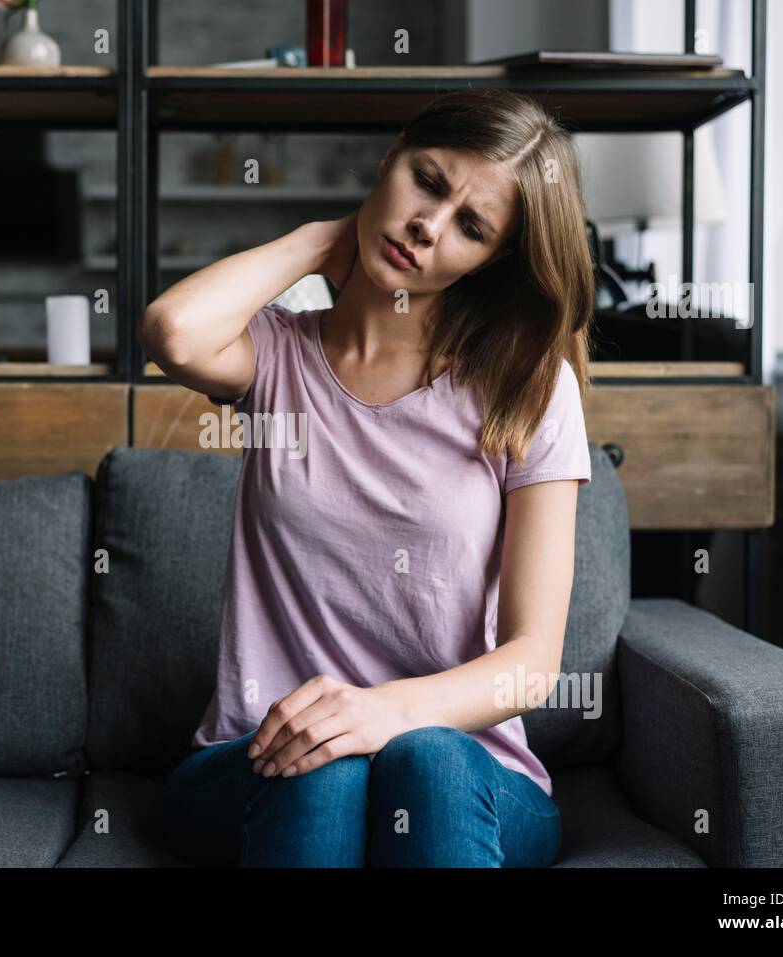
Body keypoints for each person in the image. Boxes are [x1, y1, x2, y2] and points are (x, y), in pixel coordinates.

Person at [139, 89, 594, 867]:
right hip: (262, 760)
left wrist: (377, 712)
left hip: (463, 776)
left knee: (428, 757)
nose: (429, 226)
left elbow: (532, 661)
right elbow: (171, 331)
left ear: (493, 260)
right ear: (392, 157)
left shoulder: (529, 387)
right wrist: (322, 242)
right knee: (322, 763)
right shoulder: (277, 356)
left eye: (472, 227)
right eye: (427, 180)